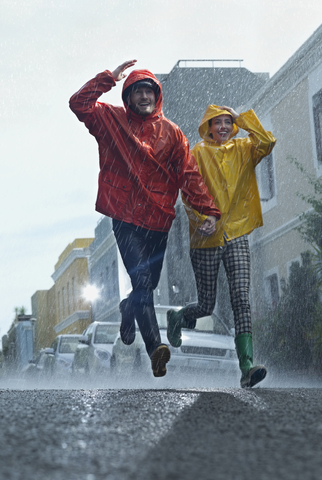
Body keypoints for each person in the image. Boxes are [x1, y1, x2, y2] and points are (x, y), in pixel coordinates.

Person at [69, 60, 221, 378]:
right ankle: (156, 349)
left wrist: (209, 209)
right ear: (128, 96)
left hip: (159, 221)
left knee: (145, 287)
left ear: (157, 96)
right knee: (143, 284)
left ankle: (128, 309)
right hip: (125, 218)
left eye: (148, 90)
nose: (144, 96)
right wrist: (108, 78)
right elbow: (78, 103)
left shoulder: (173, 134)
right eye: (137, 91)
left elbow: (189, 176)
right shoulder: (111, 120)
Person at [167, 105, 276, 388]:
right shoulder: (198, 154)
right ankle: (178, 316)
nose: (225, 127)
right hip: (206, 238)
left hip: (237, 233)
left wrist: (244, 118)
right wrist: (202, 219)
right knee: (206, 304)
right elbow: (187, 191)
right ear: (209, 127)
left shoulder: (244, 149)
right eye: (219, 123)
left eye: (229, 122)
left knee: (241, 298)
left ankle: (247, 367)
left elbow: (267, 142)